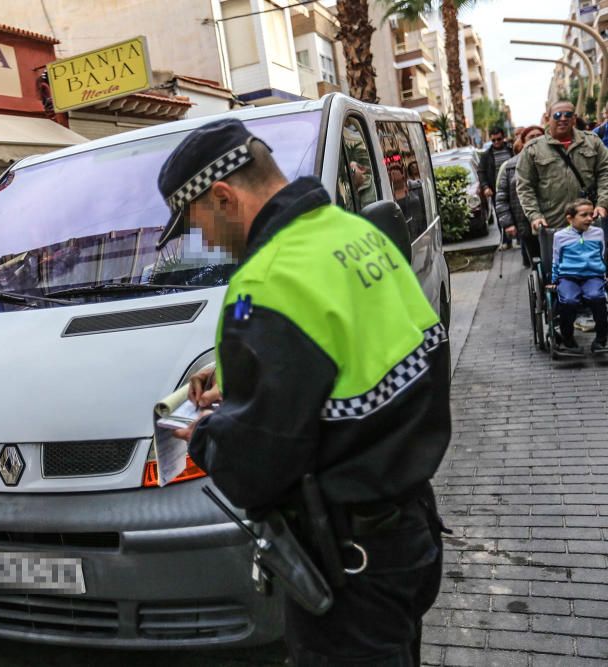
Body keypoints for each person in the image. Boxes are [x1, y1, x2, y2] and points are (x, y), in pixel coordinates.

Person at [157, 118, 451, 665]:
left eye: (196, 224)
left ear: (222, 197)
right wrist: (238, 380)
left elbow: (257, 465)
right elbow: (354, 349)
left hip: (348, 565)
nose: (205, 240)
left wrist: (206, 436)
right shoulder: (354, 234)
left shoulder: (269, 280)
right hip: (410, 532)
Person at [517, 100, 608, 233]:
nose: (563, 118)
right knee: (554, 254)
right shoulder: (533, 149)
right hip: (552, 225)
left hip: (590, 220)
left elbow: (605, 172)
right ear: (548, 118)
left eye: (568, 115)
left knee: (595, 254)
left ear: (574, 119)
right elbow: (525, 186)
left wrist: (603, 204)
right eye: (558, 115)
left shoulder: (592, 141)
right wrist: (535, 216)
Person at [551, 199, 608, 354]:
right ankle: (568, 339)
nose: (590, 218)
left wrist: (603, 274)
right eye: (584, 215)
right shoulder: (560, 236)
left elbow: (601, 255)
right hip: (568, 276)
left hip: (593, 275)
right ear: (570, 218)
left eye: (591, 214)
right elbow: (556, 259)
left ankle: (601, 339)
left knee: (597, 297)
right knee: (568, 300)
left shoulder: (598, 233)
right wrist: (554, 280)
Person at [496, 125, 545, 266]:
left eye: (539, 136)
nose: (536, 140)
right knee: (537, 263)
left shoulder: (556, 159)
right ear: (523, 141)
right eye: (531, 137)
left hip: (553, 221)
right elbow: (501, 197)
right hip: (526, 224)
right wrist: (508, 223)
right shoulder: (510, 166)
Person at [478, 125, 513, 203]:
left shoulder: (511, 150)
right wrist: (486, 187)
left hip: (513, 188)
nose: (496, 142)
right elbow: (481, 172)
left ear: (503, 138)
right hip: (496, 191)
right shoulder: (486, 155)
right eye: (493, 140)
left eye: (499, 139)